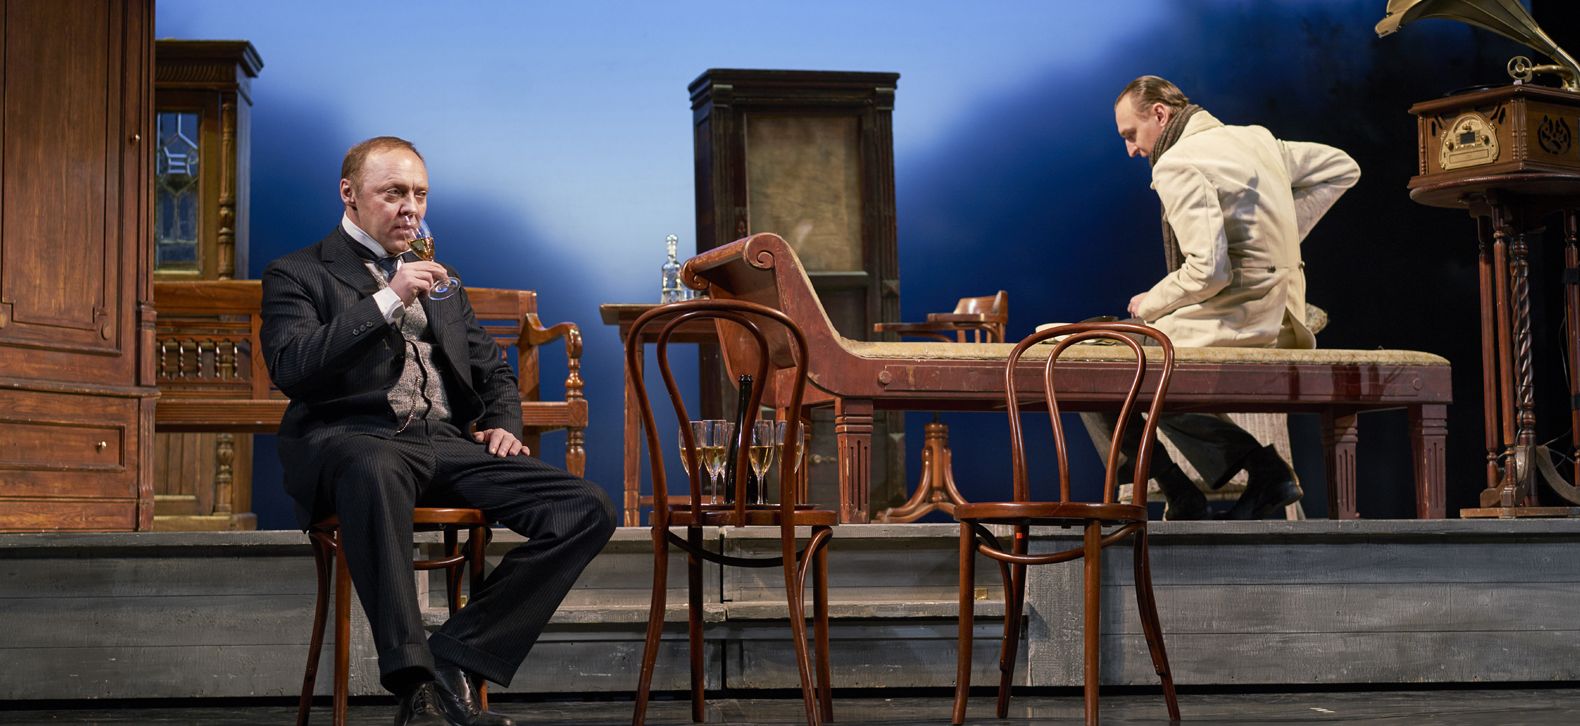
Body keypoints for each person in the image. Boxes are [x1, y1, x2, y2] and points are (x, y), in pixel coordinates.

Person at [261, 136, 616, 726]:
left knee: (586, 507)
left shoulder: (443, 280)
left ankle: (457, 655)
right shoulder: (298, 272)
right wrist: (387, 299)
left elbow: (493, 369)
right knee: (373, 467)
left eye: (420, 194)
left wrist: (502, 424)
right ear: (349, 194)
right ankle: (416, 688)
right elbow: (292, 367)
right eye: (394, 193)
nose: (411, 208)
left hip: (445, 445)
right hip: (354, 439)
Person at [1091, 76, 1361, 520]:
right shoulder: (1256, 140)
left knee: (1094, 363)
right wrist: (1277, 240)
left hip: (1239, 318)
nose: (1131, 150)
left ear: (1159, 113)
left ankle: (1179, 486)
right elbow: (1342, 166)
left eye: (1131, 134)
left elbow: (1208, 271)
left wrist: (1149, 302)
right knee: (1139, 366)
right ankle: (1258, 473)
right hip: (1284, 317)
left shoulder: (1177, 163)